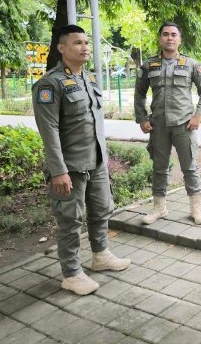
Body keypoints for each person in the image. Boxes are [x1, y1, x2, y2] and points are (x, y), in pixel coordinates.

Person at [32, 24, 130, 296]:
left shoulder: (90, 79)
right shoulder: (49, 84)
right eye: (77, 43)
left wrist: (104, 159)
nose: (85, 47)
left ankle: (100, 255)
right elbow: (49, 130)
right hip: (70, 167)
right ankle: (72, 273)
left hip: (96, 162)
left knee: (101, 210)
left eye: (86, 42)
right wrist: (58, 171)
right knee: (70, 220)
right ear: (61, 48)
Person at [134, 22, 201, 225]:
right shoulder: (149, 65)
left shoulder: (191, 64)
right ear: (160, 38)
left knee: (190, 168)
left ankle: (196, 209)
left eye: (174, 34)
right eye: (166, 34)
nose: (170, 37)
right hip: (158, 125)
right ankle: (159, 208)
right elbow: (139, 93)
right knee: (159, 168)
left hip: (184, 124)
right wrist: (142, 118)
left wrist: (199, 115)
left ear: (179, 39)